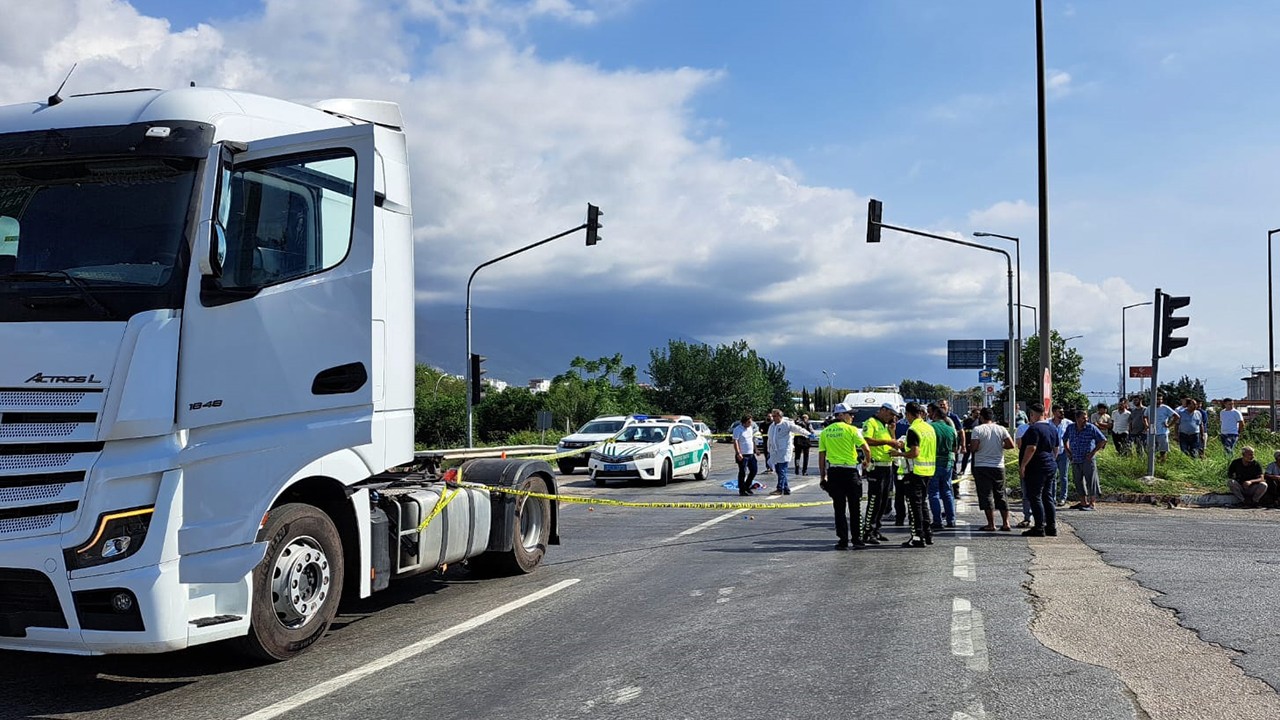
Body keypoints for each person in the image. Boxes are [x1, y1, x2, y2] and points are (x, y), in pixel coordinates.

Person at [817, 403, 873, 550]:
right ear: (841, 415)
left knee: (839, 508)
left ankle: (842, 540)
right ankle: (857, 540)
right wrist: (867, 462)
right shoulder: (852, 430)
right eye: (849, 414)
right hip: (850, 472)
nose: (852, 416)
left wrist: (823, 476)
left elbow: (822, 456)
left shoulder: (825, 432)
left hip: (834, 473)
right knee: (855, 508)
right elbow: (866, 448)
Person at [889, 402, 937, 548]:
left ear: (909, 414)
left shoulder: (913, 429)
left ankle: (917, 537)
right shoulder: (929, 428)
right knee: (923, 504)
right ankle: (927, 534)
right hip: (928, 471)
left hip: (915, 472)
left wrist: (899, 454)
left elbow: (915, 452)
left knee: (914, 506)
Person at [968, 407, 1015, 531]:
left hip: (982, 466)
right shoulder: (1001, 429)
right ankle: (1006, 523)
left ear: (981, 417)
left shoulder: (977, 429)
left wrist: (973, 446)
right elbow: (1011, 445)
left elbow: (974, 447)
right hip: (998, 466)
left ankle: (991, 524)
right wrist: (999, 446)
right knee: (1000, 494)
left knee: (986, 495)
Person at [1018, 402, 1061, 537]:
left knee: (1035, 497)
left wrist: (1023, 465)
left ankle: (1038, 527)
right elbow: (1056, 449)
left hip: (1036, 467)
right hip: (1050, 465)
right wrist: (1051, 460)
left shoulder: (1034, 429)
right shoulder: (1052, 428)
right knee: (1047, 496)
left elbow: (1031, 448)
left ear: (1032, 415)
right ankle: (1051, 526)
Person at [861, 402, 901, 543]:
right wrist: (887, 441)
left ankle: (876, 528)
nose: (892, 417)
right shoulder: (871, 422)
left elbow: (892, 441)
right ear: (883, 410)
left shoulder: (885, 425)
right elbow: (866, 440)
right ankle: (867, 531)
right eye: (890, 414)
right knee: (874, 500)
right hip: (876, 467)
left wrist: (892, 432)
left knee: (884, 500)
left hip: (887, 466)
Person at [1063, 408, 1108, 511]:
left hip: (1088, 459)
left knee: (1091, 481)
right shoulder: (1070, 428)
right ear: (1077, 418)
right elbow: (1064, 439)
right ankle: (1083, 502)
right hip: (1075, 458)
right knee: (1078, 481)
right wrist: (1068, 451)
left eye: (1086, 418)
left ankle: (1092, 503)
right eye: (1083, 418)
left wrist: (1093, 452)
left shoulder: (1091, 428)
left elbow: (1103, 440)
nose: (1086, 420)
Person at [767, 409, 814, 496]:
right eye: (772, 416)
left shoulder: (786, 424)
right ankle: (786, 489)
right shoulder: (772, 426)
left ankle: (780, 488)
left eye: (775, 416)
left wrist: (808, 434)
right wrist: (769, 450)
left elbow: (798, 429)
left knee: (782, 470)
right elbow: (770, 439)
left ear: (780, 416)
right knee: (778, 470)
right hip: (775, 452)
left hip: (784, 451)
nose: (773, 418)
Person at [926, 403, 957, 529]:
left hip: (934, 462)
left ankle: (937, 521)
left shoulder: (930, 427)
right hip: (948, 463)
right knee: (947, 491)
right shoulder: (950, 429)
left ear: (935, 415)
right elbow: (955, 448)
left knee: (933, 493)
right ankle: (951, 520)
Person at [939, 399, 966, 496]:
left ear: (948, 406)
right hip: (939, 449)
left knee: (953, 469)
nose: (942, 407)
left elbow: (961, 431)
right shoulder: (936, 417)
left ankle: (956, 491)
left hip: (952, 448)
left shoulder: (953, 417)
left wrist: (963, 446)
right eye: (940, 405)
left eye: (944, 405)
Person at [731, 414, 758, 496]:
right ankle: (742, 490)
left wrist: (756, 449)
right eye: (749, 422)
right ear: (744, 422)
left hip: (751, 454)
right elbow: (735, 441)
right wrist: (738, 453)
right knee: (743, 472)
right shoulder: (737, 429)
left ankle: (747, 486)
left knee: (754, 470)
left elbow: (752, 439)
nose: (751, 423)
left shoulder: (750, 428)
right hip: (743, 455)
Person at [1051, 405, 1070, 507]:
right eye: (1060, 412)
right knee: (1053, 476)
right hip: (1052, 453)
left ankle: (1063, 498)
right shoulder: (1048, 423)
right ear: (1054, 413)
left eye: (1062, 412)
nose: (1062, 413)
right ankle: (1052, 498)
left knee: (1063, 476)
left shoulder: (1068, 423)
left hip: (1063, 453)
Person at [957, 408, 979, 478]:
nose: (977, 415)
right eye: (976, 413)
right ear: (972, 413)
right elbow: (963, 431)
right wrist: (962, 443)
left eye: (978, 413)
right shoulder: (967, 421)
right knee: (965, 457)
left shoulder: (979, 421)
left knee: (974, 458)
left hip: (975, 442)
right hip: (967, 442)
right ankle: (962, 470)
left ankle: (973, 471)